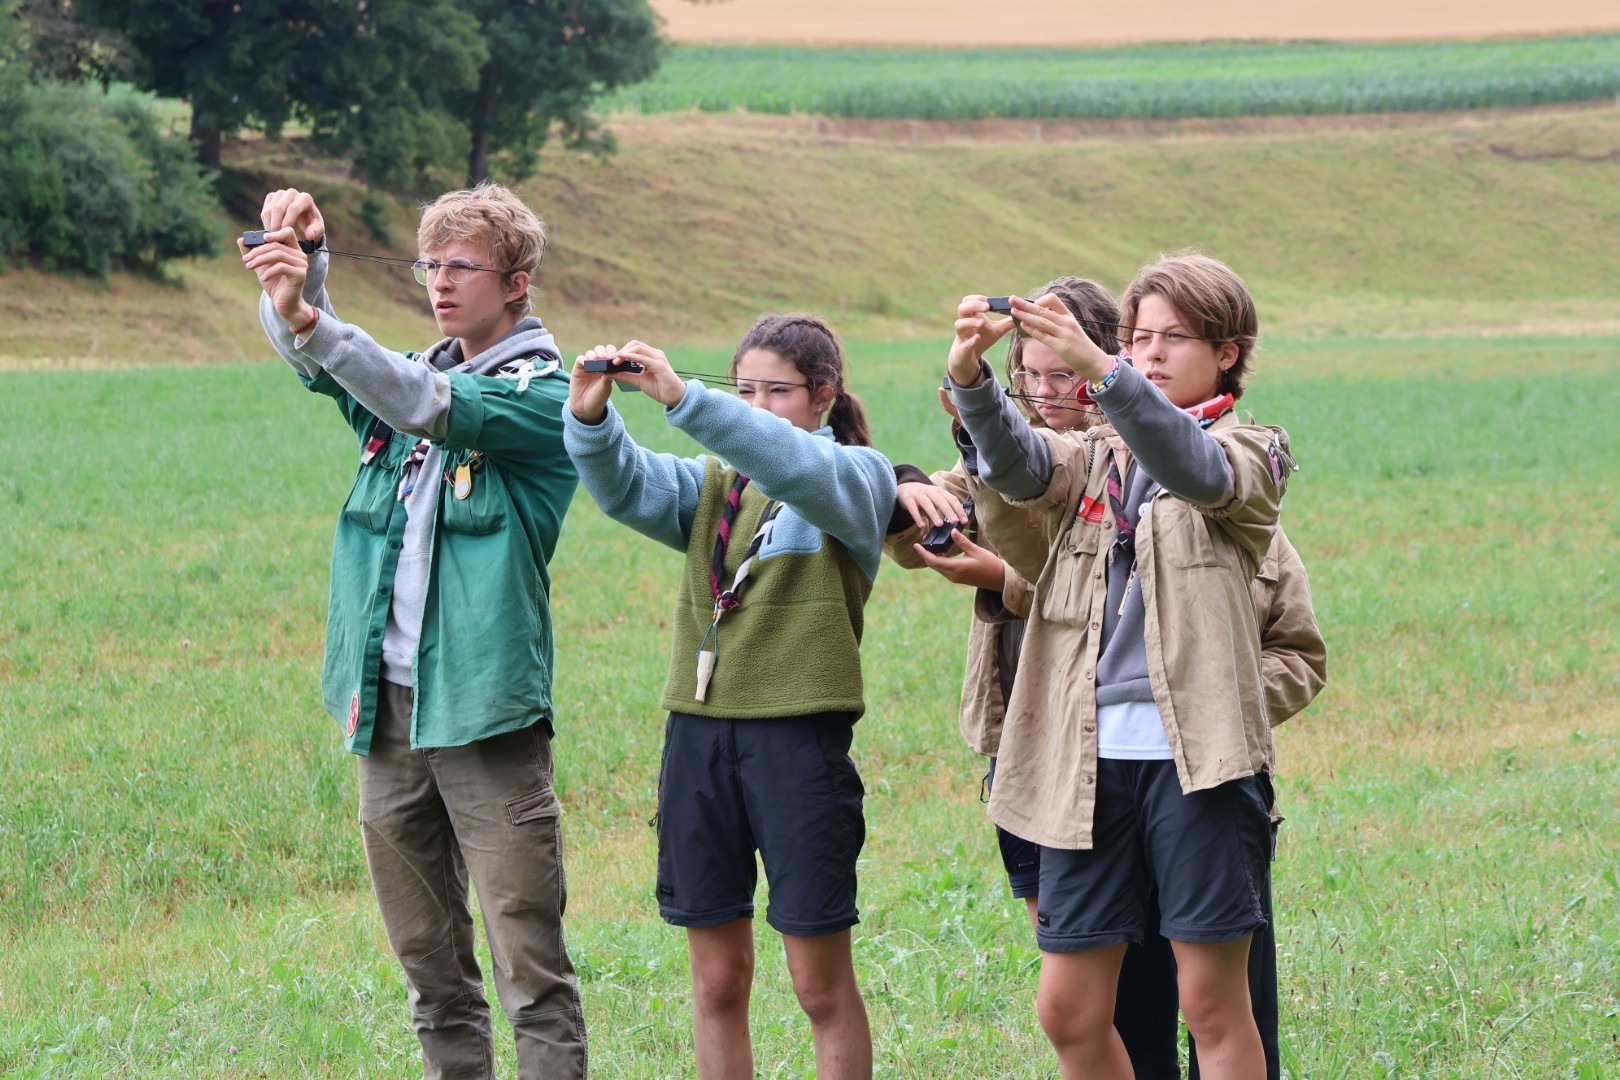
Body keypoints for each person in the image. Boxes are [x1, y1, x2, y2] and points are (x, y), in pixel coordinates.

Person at [889, 275, 1325, 1078]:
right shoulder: (1094, 455)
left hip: (1198, 768)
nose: (1150, 353)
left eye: (1173, 338)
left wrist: (1102, 368)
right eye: (1139, 338)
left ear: (1228, 355)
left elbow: (1193, 466)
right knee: (1068, 1009)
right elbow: (1019, 468)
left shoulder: (1252, 453)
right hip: (1083, 768)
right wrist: (971, 380)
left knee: (1212, 1003)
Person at [239, 184, 586, 1079]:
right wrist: (304, 267)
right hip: (387, 718)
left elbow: (431, 404)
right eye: (430, 264)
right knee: (431, 978)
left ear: (517, 283)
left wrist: (312, 316)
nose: (439, 282)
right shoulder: (403, 381)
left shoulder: (544, 397)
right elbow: (323, 363)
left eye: (461, 266)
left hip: (484, 717)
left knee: (532, 978)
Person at [561, 316, 894, 1080]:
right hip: (699, 736)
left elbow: (792, 465)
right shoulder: (717, 485)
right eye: (743, 391)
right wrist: (591, 419)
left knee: (817, 985)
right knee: (715, 980)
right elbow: (626, 487)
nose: (758, 408)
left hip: (798, 742)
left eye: (777, 392)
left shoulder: (857, 478)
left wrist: (689, 401)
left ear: (823, 396)